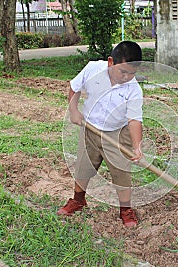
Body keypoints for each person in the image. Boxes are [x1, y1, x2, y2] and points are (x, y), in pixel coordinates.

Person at [57, 41, 143, 227]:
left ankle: (125, 210)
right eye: (123, 72)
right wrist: (73, 111)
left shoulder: (133, 89)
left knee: (121, 172)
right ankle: (78, 200)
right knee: (83, 166)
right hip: (90, 128)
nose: (127, 77)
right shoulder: (93, 69)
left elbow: (134, 120)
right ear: (111, 62)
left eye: (132, 73)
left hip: (117, 133)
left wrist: (136, 146)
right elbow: (74, 87)